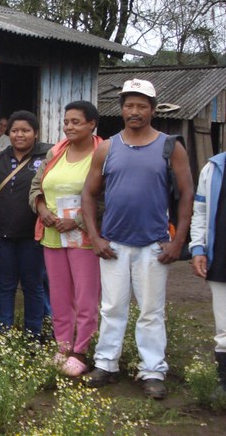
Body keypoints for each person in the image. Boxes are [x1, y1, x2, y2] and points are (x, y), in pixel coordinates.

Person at [82, 78, 193, 399]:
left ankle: (152, 370)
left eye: (141, 105)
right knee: (112, 307)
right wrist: (95, 236)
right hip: (114, 244)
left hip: (154, 245)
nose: (135, 111)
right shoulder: (107, 148)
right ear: (121, 109)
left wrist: (178, 242)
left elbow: (186, 195)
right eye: (129, 105)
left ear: (153, 110)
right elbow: (88, 195)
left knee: (150, 311)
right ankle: (106, 363)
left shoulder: (170, 147)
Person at [29, 101, 103, 376]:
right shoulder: (56, 151)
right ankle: (63, 347)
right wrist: (42, 209)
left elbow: (107, 195)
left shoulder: (102, 153)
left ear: (92, 124)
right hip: (53, 235)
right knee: (60, 296)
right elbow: (37, 186)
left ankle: (81, 350)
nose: (69, 127)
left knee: (85, 296)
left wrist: (79, 220)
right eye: (67, 121)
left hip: (84, 236)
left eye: (76, 122)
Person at [0, 110, 52, 338]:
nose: (19, 135)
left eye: (25, 131)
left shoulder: (47, 157)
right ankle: (3, 334)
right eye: (15, 131)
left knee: (33, 285)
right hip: (1, 233)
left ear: (36, 133)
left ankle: (34, 334)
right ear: (8, 132)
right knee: (5, 285)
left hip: (33, 235)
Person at [191, 151, 226, 396]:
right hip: (221, 254)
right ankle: (224, 382)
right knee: (224, 325)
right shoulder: (213, 168)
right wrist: (198, 248)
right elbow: (200, 211)